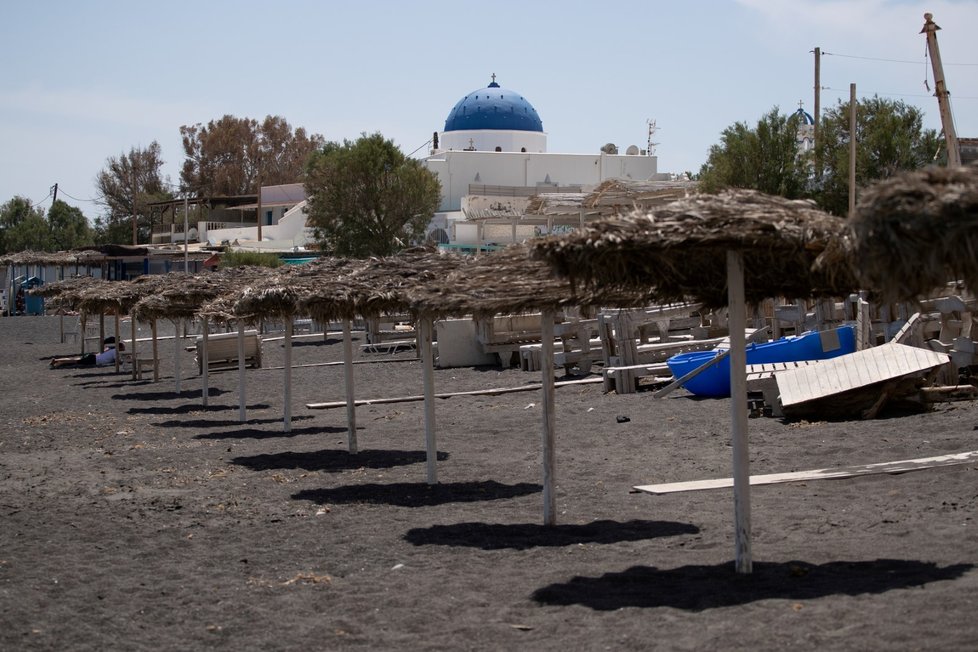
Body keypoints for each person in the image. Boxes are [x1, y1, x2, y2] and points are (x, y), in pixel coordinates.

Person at [49, 337, 124, 369]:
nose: (123, 350)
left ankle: (58, 362)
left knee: (74, 360)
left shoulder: (109, 349)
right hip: (94, 360)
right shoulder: (115, 351)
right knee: (74, 360)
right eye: (123, 348)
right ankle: (56, 360)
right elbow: (118, 361)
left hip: (93, 357)